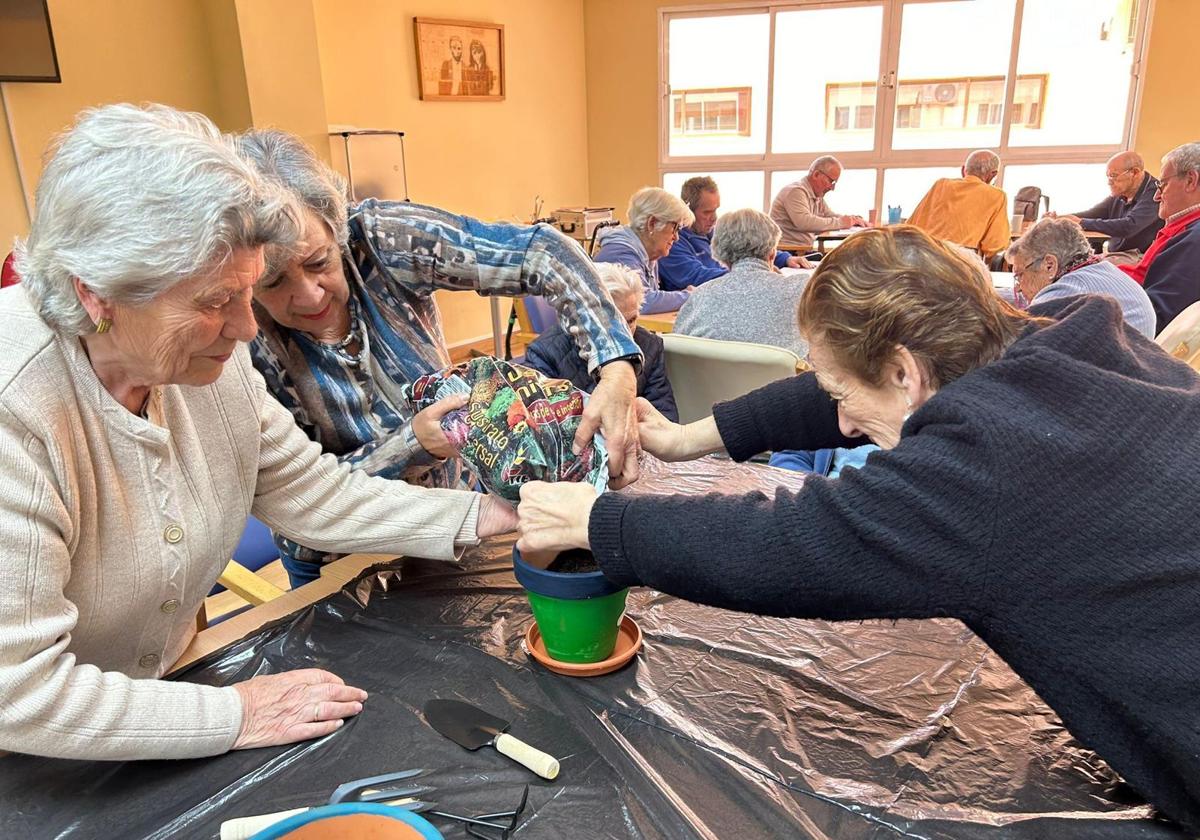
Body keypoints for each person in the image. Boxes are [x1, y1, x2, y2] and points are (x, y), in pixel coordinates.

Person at [516, 225, 1200, 834]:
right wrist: (691, 437)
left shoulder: (988, 466)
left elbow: (790, 543)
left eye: (846, 397)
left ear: (904, 372)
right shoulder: (1066, 335)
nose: (842, 422)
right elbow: (836, 386)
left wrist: (597, 522)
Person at [0, 103, 518, 762]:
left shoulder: (204, 363)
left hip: (159, 697)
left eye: (248, 291)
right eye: (216, 301)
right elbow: (19, 690)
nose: (247, 328)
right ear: (97, 293)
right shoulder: (17, 406)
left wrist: (495, 514)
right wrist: (235, 713)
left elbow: (313, 495)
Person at [237, 129, 643, 587]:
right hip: (337, 557)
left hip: (460, 518)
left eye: (319, 262)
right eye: (273, 282)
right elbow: (299, 493)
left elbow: (542, 253)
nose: (310, 295)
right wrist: (412, 444)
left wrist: (616, 368)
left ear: (338, 229)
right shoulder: (237, 336)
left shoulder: (382, 237)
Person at [524, 263, 678, 421]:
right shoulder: (544, 353)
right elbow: (541, 423)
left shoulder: (650, 346)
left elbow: (665, 418)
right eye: (611, 323)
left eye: (631, 320)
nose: (624, 332)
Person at [673, 209, 810, 358]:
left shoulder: (700, 296)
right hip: (786, 372)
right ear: (772, 253)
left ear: (722, 257)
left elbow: (678, 346)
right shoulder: (803, 289)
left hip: (714, 372)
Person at [1008, 217, 1156, 338]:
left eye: (1020, 275)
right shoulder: (1101, 270)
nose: (1018, 287)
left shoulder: (1068, 289)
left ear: (1049, 265)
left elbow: (1018, 339)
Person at [660, 176, 800, 290]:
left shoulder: (709, 230)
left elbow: (748, 247)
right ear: (688, 210)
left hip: (730, 289)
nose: (714, 218)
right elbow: (696, 276)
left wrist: (784, 259)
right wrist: (750, 274)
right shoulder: (672, 241)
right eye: (707, 212)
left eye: (716, 210)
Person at [1120, 141, 1200, 334]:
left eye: (1162, 184)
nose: (1156, 196)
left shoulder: (1194, 241)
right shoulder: (1185, 230)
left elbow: (1152, 319)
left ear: (1191, 181)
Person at [593, 186, 694, 315]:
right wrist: (692, 296)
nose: (676, 237)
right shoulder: (619, 253)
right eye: (675, 228)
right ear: (652, 223)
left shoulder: (648, 254)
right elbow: (643, 302)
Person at [1052, 151, 1163, 259]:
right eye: (1108, 176)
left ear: (1134, 173)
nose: (1109, 182)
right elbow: (1094, 213)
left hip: (1139, 257)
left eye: (1113, 175)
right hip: (1117, 254)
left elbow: (1129, 226)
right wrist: (1061, 219)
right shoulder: (1122, 191)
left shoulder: (1155, 193)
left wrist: (1081, 222)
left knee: (1086, 267)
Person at [907, 150, 1010, 258]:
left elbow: (910, 226)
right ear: (993, 174)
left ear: (963, 170)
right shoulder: (997, 195)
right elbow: (995, 245)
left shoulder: (941, 184)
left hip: (924, 254)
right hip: (960, 259)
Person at [769, 156, 866, 252]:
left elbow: (830, 215)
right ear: (816, 174)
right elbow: (805, 222)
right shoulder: (796, 191)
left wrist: (853, 220)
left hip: (802, 250)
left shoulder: (817, 196)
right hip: (787, 253)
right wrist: (842, 222)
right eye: (831, 181)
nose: (832, 188)